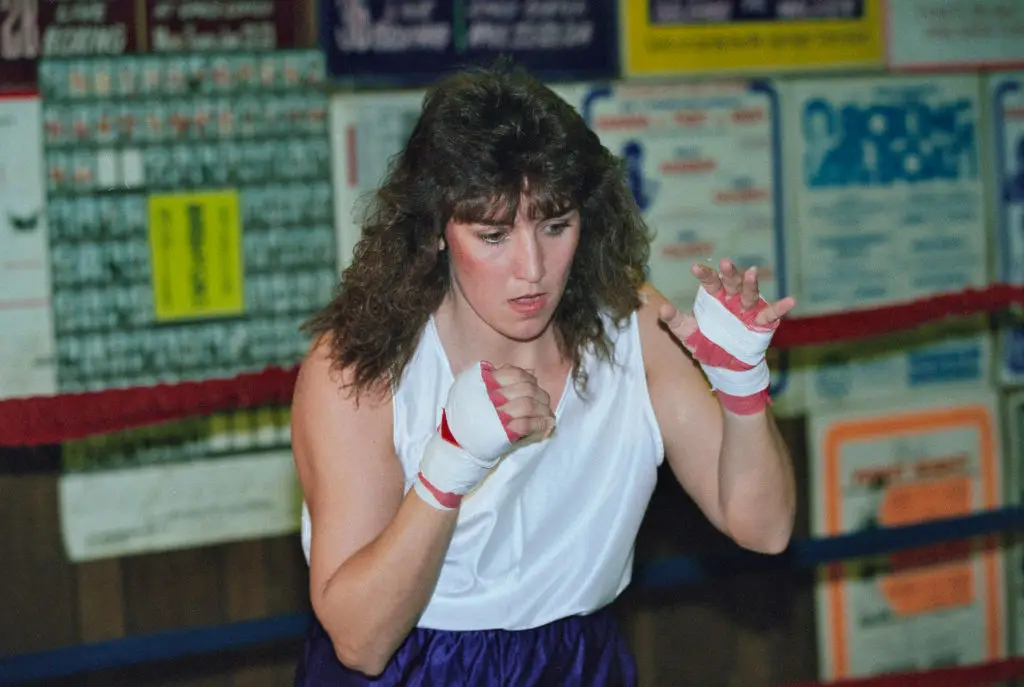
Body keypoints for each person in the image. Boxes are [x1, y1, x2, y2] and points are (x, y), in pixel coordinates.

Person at [289, 60, 797, 686]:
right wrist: (446, 469)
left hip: (578, 661)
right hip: (410, 667)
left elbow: (764, 529)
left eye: (556, 227)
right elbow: (360, 643)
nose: (532, 269)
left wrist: (743, 386)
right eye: (493, 235)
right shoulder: (362, 365)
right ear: (438, 230)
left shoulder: (631, 326)